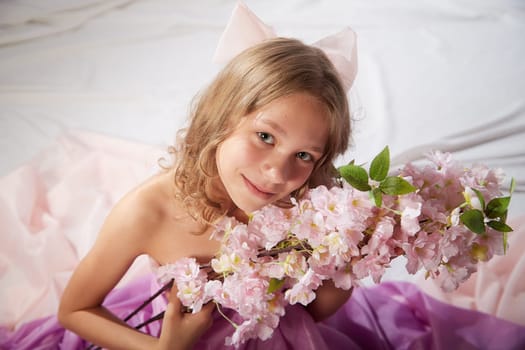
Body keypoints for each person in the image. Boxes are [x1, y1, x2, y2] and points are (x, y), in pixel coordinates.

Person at [54, 35, 354, 350]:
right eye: (265, 136)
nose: (278, 173)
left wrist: (342, 262)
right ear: (221, 116)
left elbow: (312, 313)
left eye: (304, 155)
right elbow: (75, 310)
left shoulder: (305, 208)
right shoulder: (148, 212)